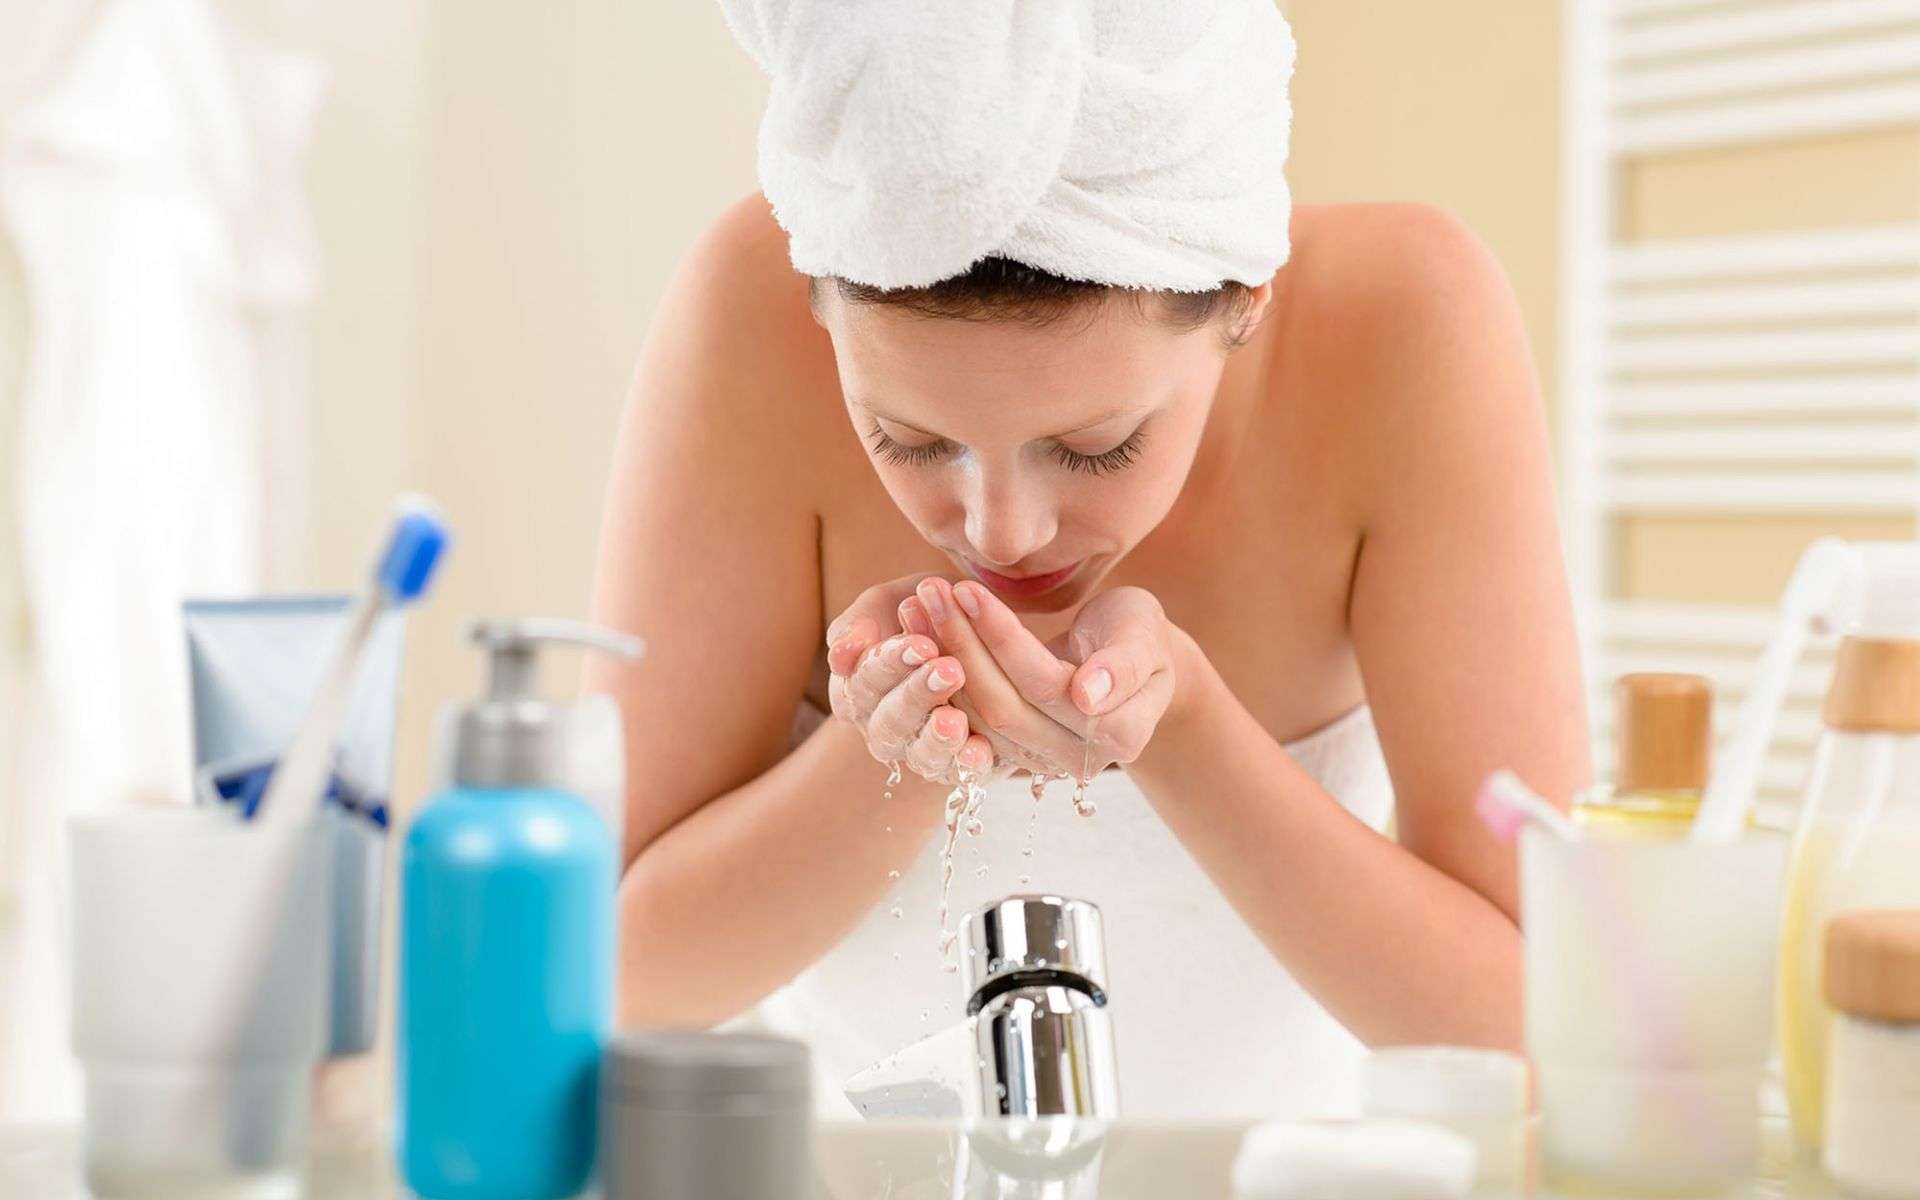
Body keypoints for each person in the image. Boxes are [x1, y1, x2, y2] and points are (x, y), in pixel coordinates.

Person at [588, 0, 1587, 1117]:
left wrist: (1185, 727)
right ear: (817, 306)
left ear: (1247, 296)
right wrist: (906, 741)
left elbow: (1545, 1042)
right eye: (907, 439)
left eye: (1096, 447)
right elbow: (615, 980)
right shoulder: (749, 295)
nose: (1000, 533)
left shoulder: (1404, 317)